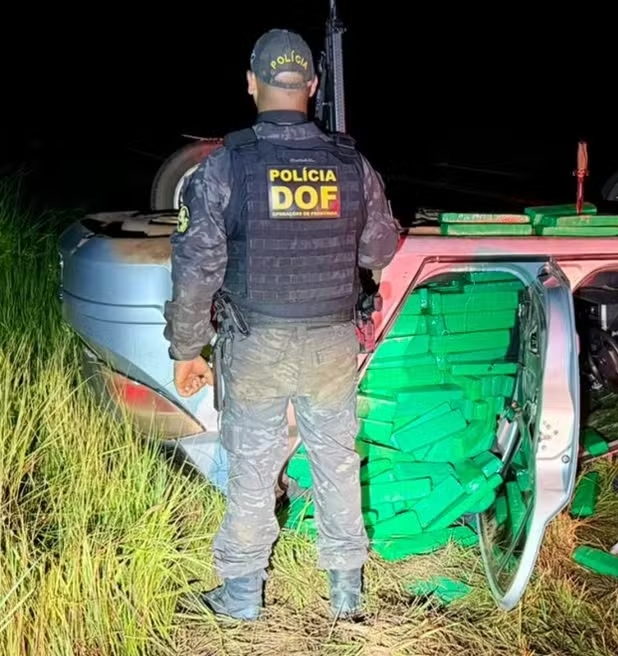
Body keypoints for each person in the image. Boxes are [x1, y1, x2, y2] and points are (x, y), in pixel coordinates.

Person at [163, 28, 402, 622]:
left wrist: (186, 347)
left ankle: (242, 597)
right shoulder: (351, 163)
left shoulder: (227, 166)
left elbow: (197, 267)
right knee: (336, 461)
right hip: (330, 344)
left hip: (256, 344)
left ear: (251, 83)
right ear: (314, 85)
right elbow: (380, 250)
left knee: (251, 465)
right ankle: (347, 600)